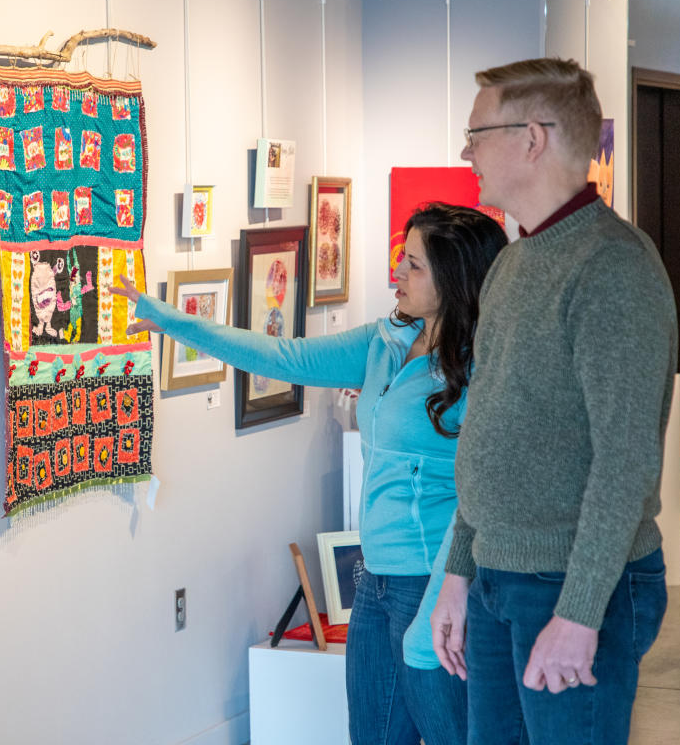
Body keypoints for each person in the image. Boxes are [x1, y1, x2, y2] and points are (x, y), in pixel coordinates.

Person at [113, 205, 507, 745]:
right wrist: (179, 324)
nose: (397, 270)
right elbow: (286, 356)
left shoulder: (484, 366)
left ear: (455, 279)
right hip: (378, 583)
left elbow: (479, 502)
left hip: (436, 585)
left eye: (413, 264)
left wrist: (444, 597)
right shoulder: (384, 342)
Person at [429, 57, 678, 744]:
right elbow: (491, 435)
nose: (465, 150)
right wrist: (458, 574)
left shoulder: (612, 267)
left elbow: (625, 462)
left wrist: (579, 611)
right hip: (498, 580)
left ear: (532, 138)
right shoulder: (513, 262)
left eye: (477, 133)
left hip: (570, 584)